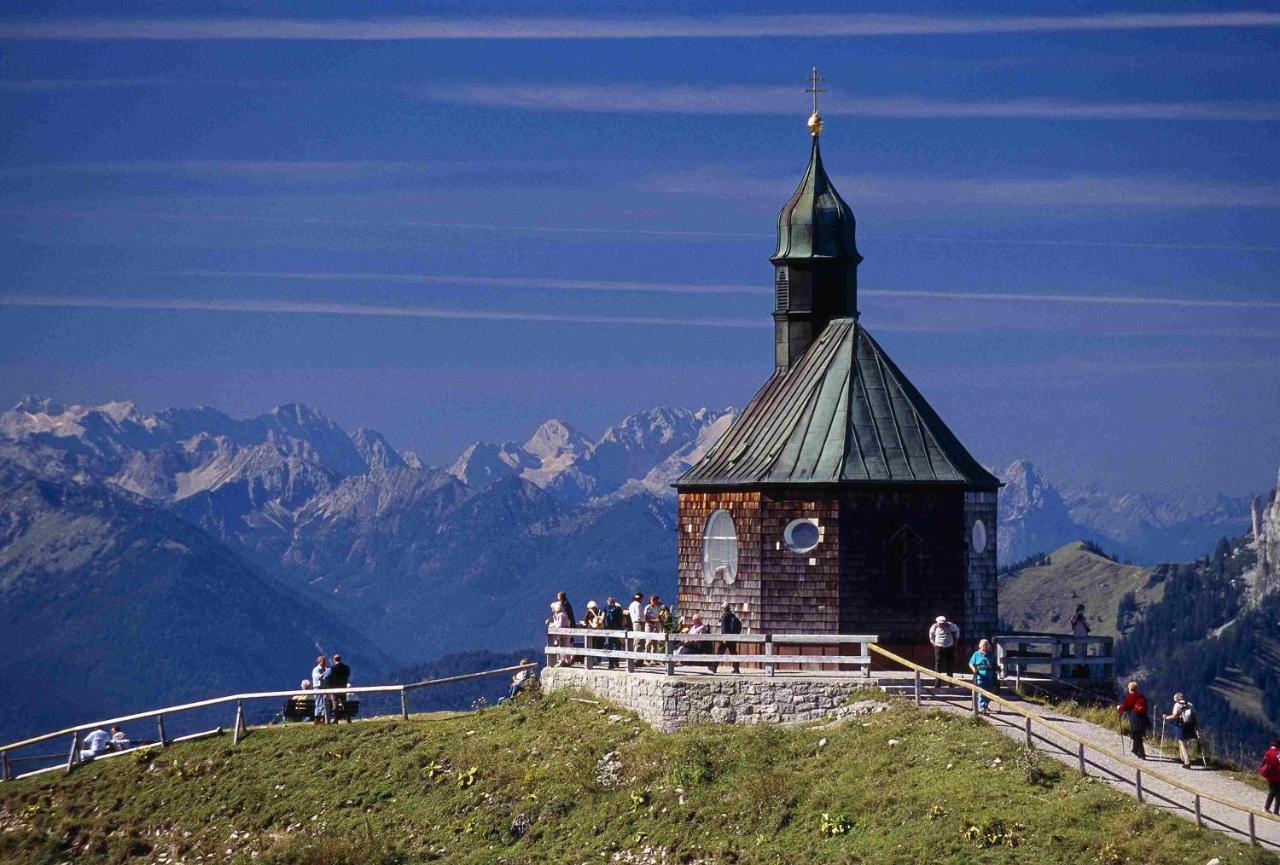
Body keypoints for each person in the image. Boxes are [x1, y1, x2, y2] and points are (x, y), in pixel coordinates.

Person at [1163, 693, 1200, 768]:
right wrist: (1196, 726)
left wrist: (1166, 717)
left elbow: (1175, 716)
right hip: (1190, 725)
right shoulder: (1189, 704)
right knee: (1181, 741)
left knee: (1182, 742)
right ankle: (1182, 758)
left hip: (1181, 725)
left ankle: (1187, 761)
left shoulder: (1177, 705)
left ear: (1176, 699)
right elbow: (1195, 715)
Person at [1116, 681, 1150, 759]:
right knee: (1137, 734)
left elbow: (1125, 707)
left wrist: (1119, 708)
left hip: (1135, 718)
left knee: (1137, 735)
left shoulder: (1131, 696)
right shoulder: (1141, 696)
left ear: (1129, 688)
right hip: (1144, 718)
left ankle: (1142, 754)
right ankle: (1135, 750)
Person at [928, 615, 960, 688]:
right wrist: (934, 644)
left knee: (949, 665)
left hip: (949, 647)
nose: (941, 625)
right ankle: (937, 683)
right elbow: (931, 636)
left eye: (943, 623)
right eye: (940, 623)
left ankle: (950, 683)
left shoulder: (950, 626)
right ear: (937, 622)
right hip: (939, 647)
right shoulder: (934, 627)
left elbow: (957, 630)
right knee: (938, 665)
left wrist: (956, 639)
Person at [967, 639, 997, 713]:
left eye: (987, 645)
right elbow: (970, 663)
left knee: (989, 692)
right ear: (980, 646)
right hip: (980, 676)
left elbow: (995, 664)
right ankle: (982, 707)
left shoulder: (991, 654)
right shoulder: (976, 654)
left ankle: (985, 705)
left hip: (990, 676)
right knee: (981, 691)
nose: (985, 646)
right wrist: (974, 670)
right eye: (984, 645)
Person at [719, 603, 743, 673]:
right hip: (732, 637)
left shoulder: (724, 616)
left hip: (726, 637)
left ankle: (713, 667)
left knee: (720, 651)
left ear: (724, 608)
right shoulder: (732, 615)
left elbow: (724, 628)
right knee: (733, 652)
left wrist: (724, 638)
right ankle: (736, 669)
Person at [602, 596, 625, 668]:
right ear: (614, 602)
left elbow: (602, 618)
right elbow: (622, 620)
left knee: (609, 646)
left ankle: (610, 663)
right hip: (617, 630)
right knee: (617, 645)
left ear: (608, 602)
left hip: (608, 630)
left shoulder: (605, 608)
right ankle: (616, 661)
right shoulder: (618, 609)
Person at [328, 654, 352, 723]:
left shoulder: (332, 668)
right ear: (340, 659)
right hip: (343, 687)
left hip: (334, 689)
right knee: (345, 703)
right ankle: (348, 718)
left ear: (334, 660)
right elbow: (348, 675)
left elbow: (330, 678)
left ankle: (336, 719)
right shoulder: (346, 667)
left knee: (335, 704)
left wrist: (330, 685)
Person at [1260, 737, 1280, 815]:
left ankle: (1266, 808)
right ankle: (1276, 811)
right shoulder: (1278, 753)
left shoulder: (1268, 752)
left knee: (1271, 791)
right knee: (1278, 794)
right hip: (1278, 776)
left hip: (1269, 776)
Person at [550, 601, 573, 666]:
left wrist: (554, 625)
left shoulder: (561, 615)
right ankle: (567, 661)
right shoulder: (564, 613)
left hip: (563, 634)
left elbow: (560, 625)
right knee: (566, 646)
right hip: (566, 633)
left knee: (563, 647)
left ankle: (565, 661)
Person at [311, 655, 332, 725]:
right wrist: (326, 672)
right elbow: (319, 677)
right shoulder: (316, 670)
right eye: (323, 661)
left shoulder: (326, 669)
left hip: (324, 687)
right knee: (318, 702)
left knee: (324, 703)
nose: (324, 663)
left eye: (325, 661)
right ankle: (317, 717)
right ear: (319, 662)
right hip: (318, 688)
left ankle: (323, 717)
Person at [628, 593, 646, 660]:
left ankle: (636, 658)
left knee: (636, 640)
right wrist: (644, 619)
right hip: (639, 623)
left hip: (634, 623)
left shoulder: (631, 604)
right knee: (639, 640)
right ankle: (636, 659)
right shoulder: (638, 605)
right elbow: (638, 616)